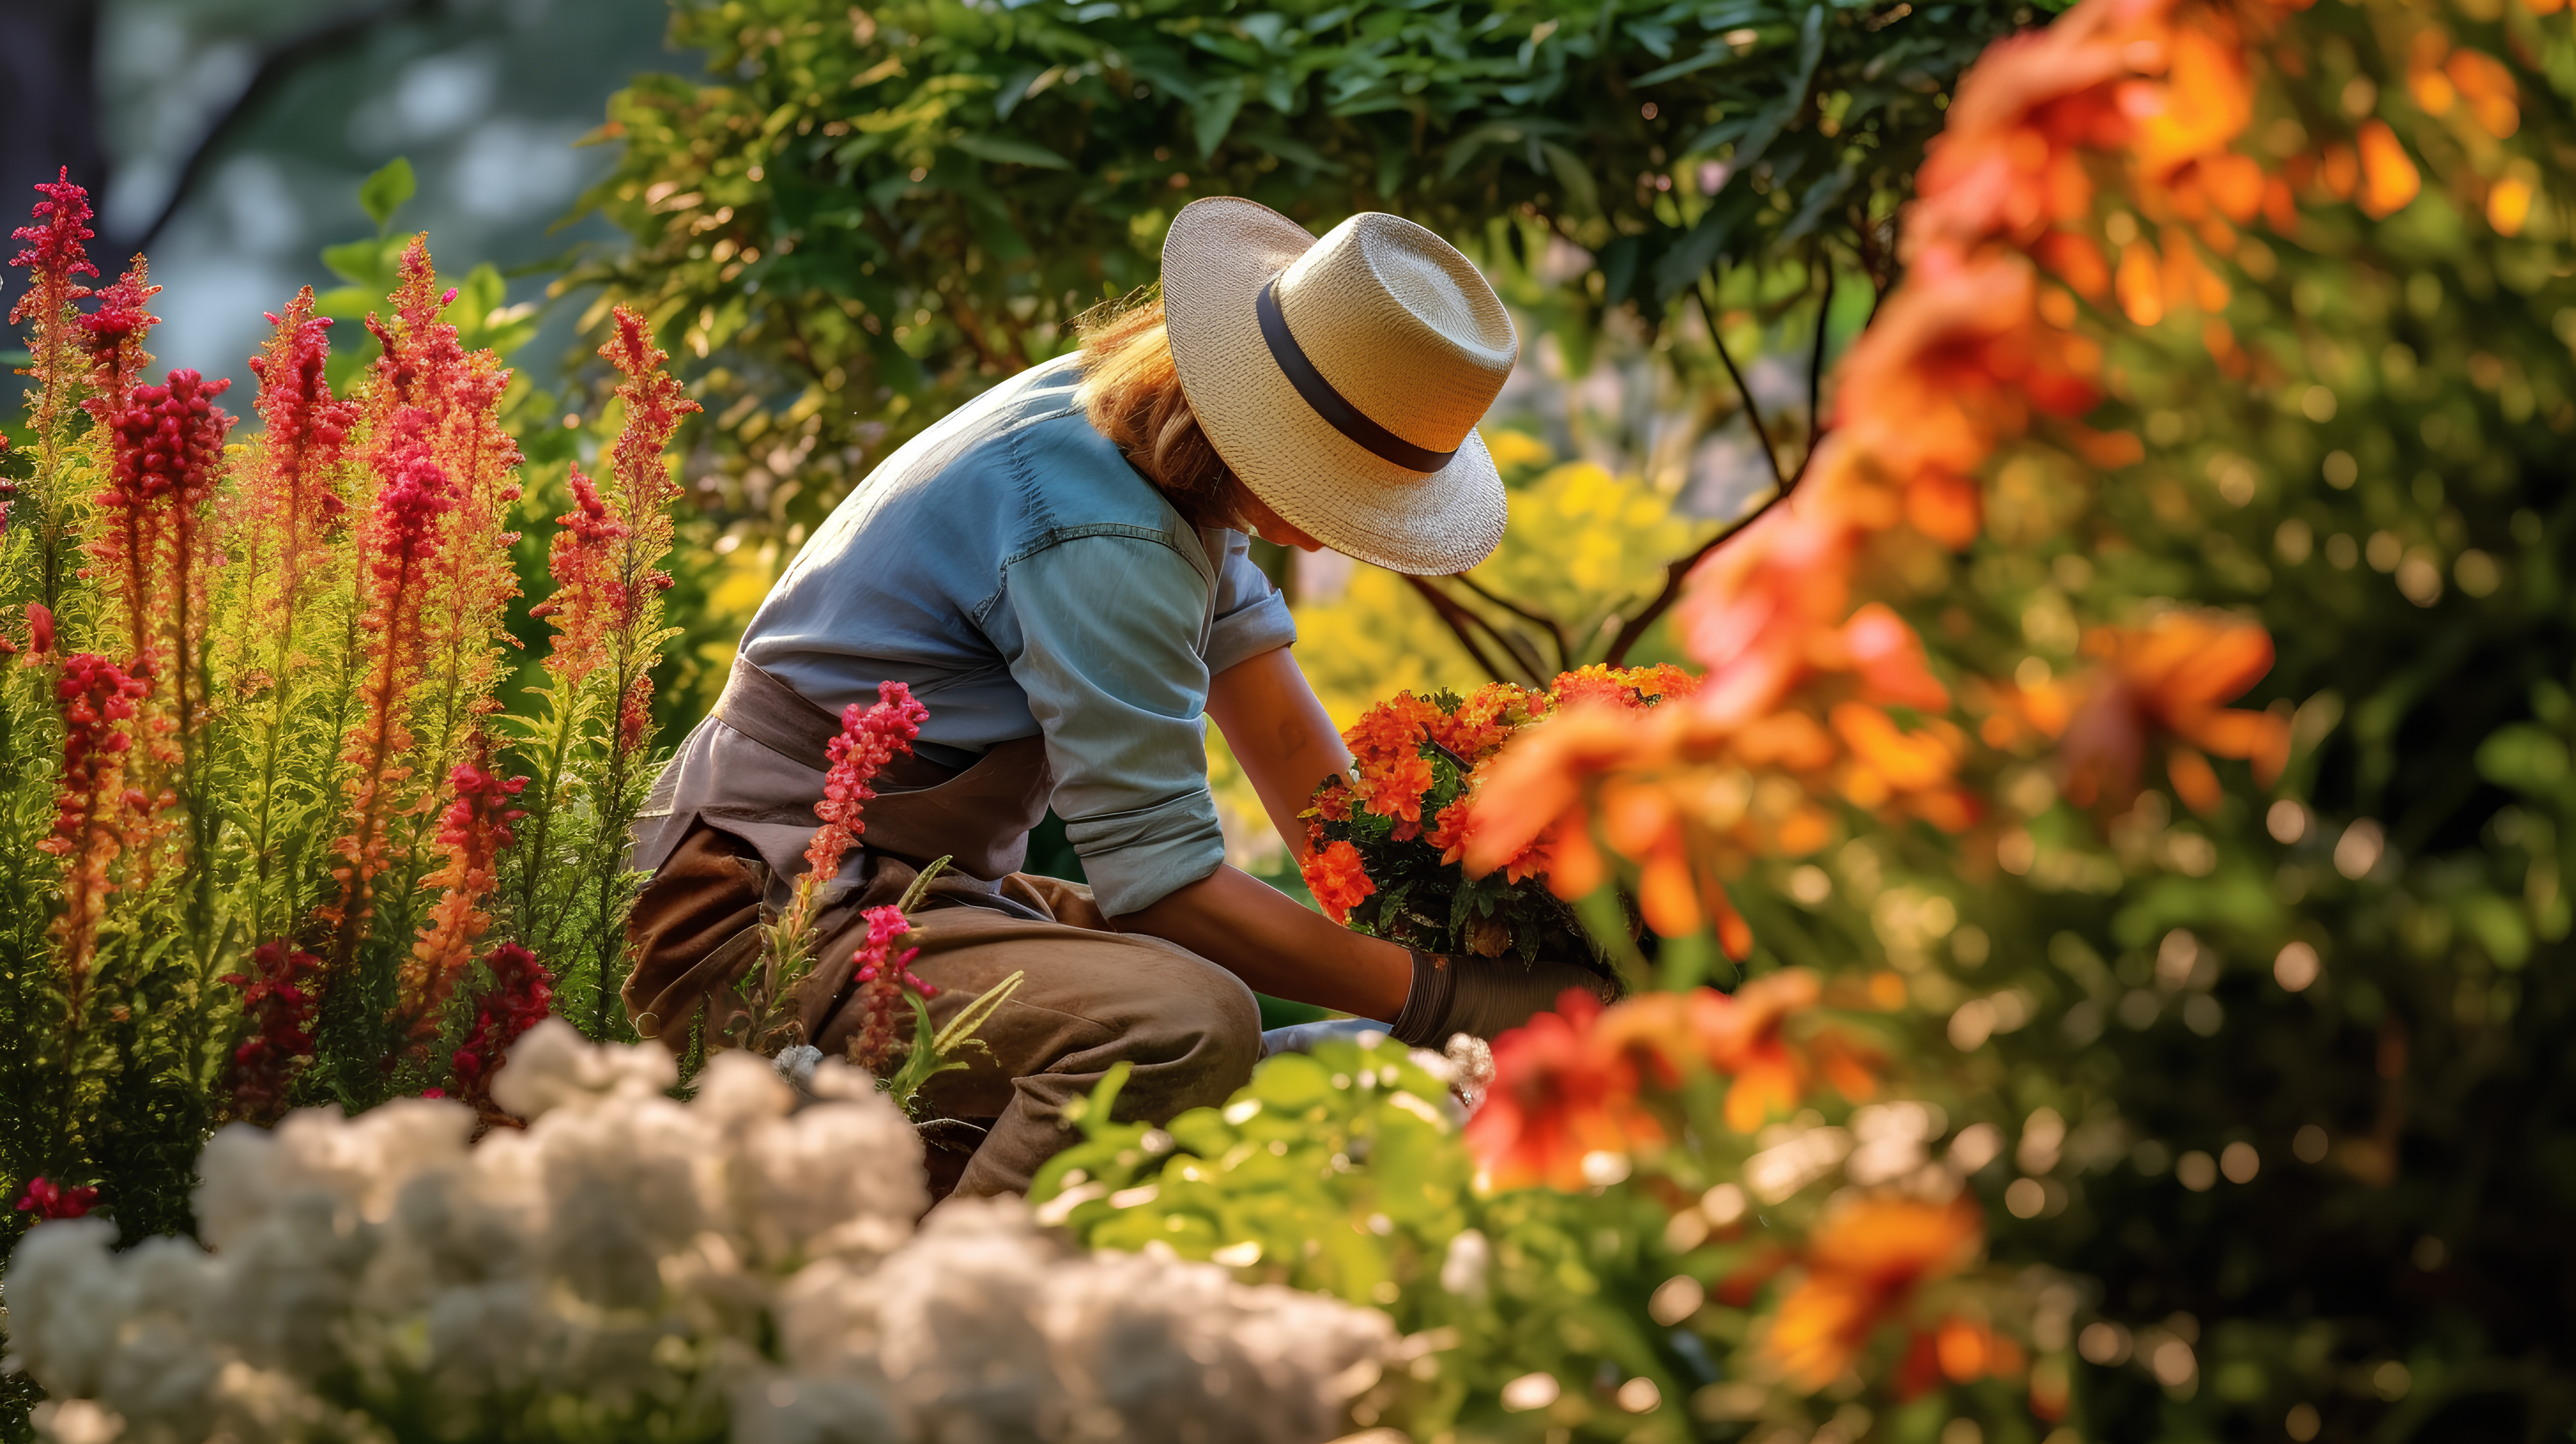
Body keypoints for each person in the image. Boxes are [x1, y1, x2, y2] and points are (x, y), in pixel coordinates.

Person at [623, 196, 1611, 1197]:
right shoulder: (1105, 534)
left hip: (899, 894)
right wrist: (1443, 997)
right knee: (1182, 1026)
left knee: (1264, 1045)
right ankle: (946, 1281)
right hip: (761, 922)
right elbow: (1166, 887)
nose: (1333, 530)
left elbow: (1280, 738)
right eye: (1339, 485)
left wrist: (1446, 923)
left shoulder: (1151, 433)